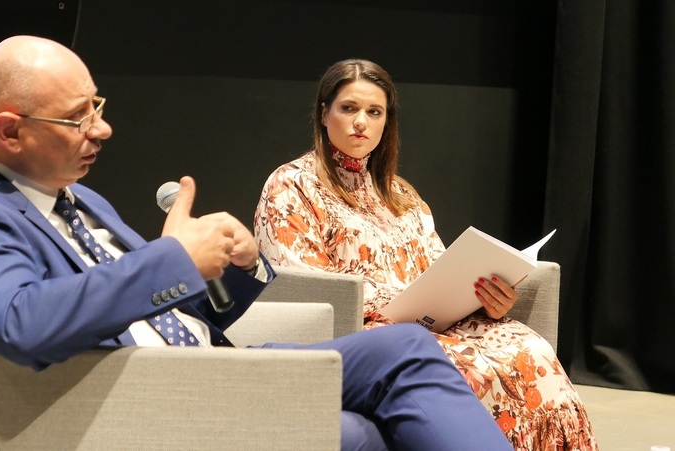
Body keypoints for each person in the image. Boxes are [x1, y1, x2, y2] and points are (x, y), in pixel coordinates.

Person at [0, 36, 512, 450]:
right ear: (11, 130)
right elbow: (18, 324)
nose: (101, 129)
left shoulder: (78, 200)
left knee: (405, 347)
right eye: (77, 118)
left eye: (97, 106)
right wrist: (170, 259)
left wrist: (232, 267)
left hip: (212, 363)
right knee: (361, 428)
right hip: (175, 392)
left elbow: (168, 305)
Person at [254, 59, 598, 450]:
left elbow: (439, 270)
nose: (361, 122)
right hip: (362, 333)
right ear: (324, 113)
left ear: (387, 122)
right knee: (470, 365)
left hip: (429, 324)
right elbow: (300, 284)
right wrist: (393, 300)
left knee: (526, 344)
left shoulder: (401, 193)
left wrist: (486, 300)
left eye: (374, 111)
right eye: (348, 108)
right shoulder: (291, 184)